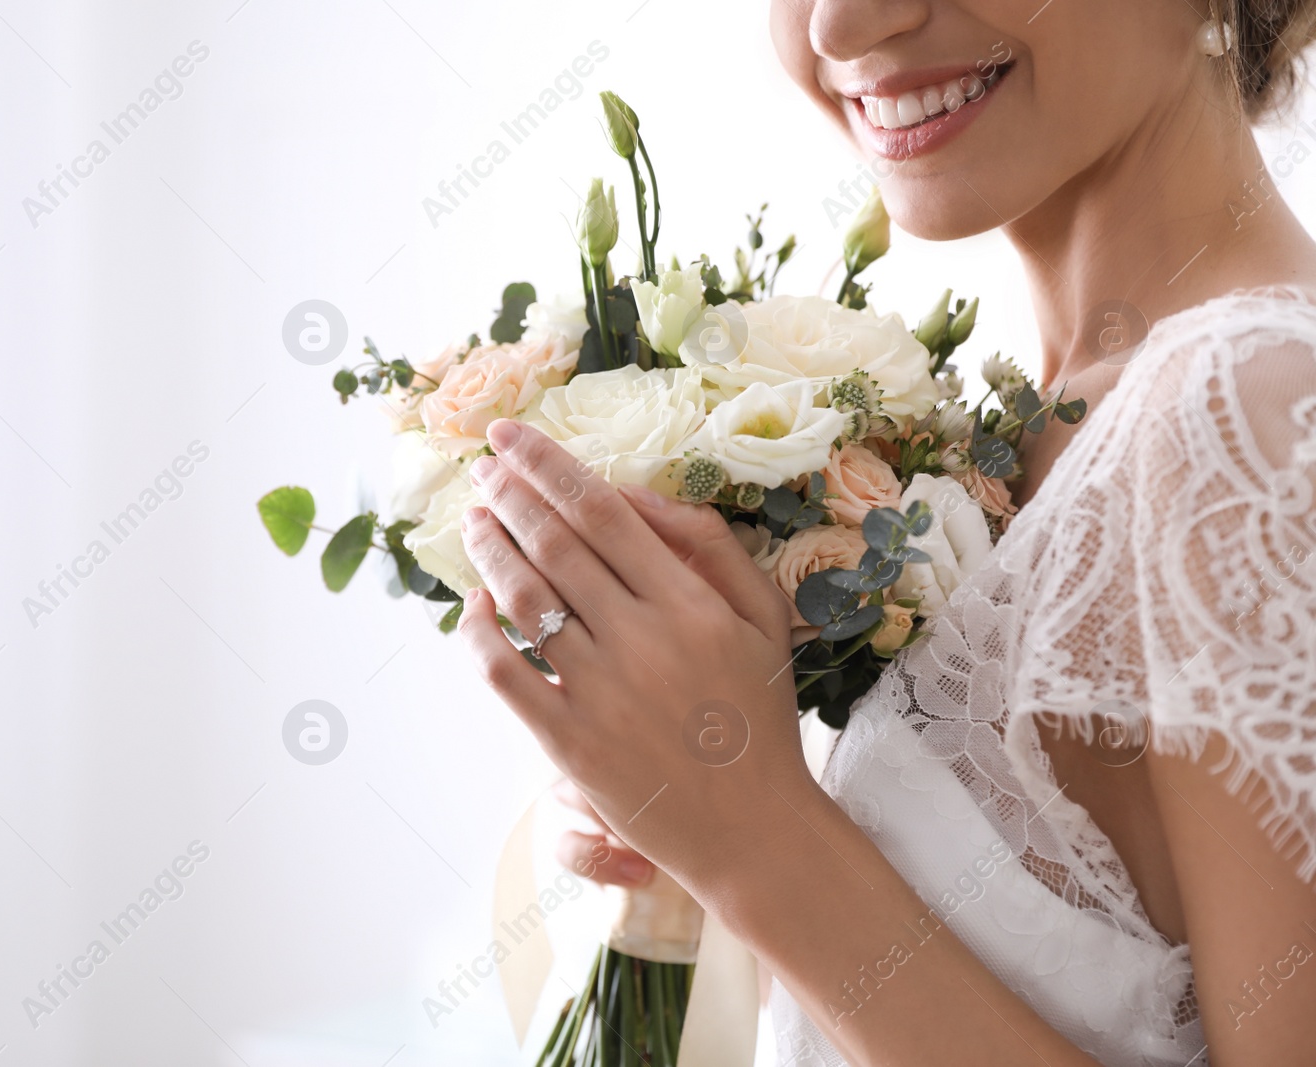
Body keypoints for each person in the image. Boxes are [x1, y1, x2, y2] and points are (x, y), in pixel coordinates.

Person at [456, 1, 1316, 1062]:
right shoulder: (1015, 426)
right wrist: (674, 818)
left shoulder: (1245, 415)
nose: (842, 22)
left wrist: (757, 838)